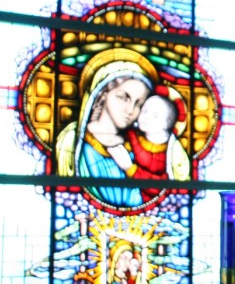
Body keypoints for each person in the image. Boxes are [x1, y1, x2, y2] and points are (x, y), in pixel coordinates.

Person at [55, 48, 160, 208]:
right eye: (124, 97)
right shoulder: (71, 140)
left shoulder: (138, 146)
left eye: (138, 103)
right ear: (102, 93)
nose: (130, 110)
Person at [115, 88, 191, 202]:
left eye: (155, 115)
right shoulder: (130, 136)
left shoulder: (172, 153)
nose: (146, 117)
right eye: (144, 111)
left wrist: (130, 169)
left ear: (167, 123)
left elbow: (163, 187)